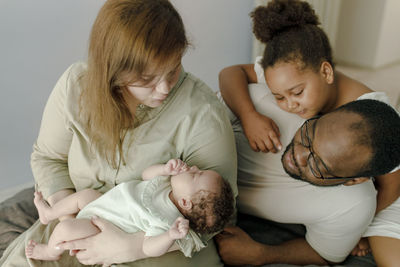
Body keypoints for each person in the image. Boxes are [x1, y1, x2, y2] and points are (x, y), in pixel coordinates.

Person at [0, 0, 237, 266]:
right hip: (82, 219)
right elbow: (48, 158)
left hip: (161, 245)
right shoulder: (75, 87)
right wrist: (75, 222)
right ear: (113, 68)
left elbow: (216, 214)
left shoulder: (203, 113)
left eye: (172, 71)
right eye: (147, 79)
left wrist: (132, 247)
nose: (163, 89)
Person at [217, 0, 399, 265]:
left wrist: (361, 230)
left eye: (297, 93)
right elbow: (230, 73)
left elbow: (390, 186)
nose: (289, 104)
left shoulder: (371, 115)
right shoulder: (287, 73)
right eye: (278, 96)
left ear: (326, 72)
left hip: (387, 194)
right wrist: (249, 116)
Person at [25, 159, 234, 262]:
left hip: (100, 227)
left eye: (196, 175)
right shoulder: (166, 184)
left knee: (67, 229)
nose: (194, 168)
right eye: (200, 169)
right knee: (85, 195)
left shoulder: (166, 220)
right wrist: (163, 169)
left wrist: (170, 235)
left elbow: (148, 248)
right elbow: (145, 176)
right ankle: (49, 214)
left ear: (186, 203)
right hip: (104, 204)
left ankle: (50, 251)